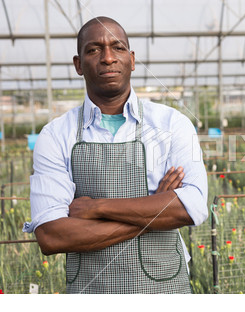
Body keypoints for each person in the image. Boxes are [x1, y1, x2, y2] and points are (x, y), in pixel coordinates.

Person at [23, 16, 208, 294]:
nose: (108, 57)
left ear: (132, 60)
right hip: (92, 291)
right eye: (94, 49)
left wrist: (96, 208)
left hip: (165, 289)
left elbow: (191, 207)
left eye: (118, 47)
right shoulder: (55, 135)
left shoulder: (173, 124)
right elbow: (51, 235)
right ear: (78, 65)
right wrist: (155, 209)